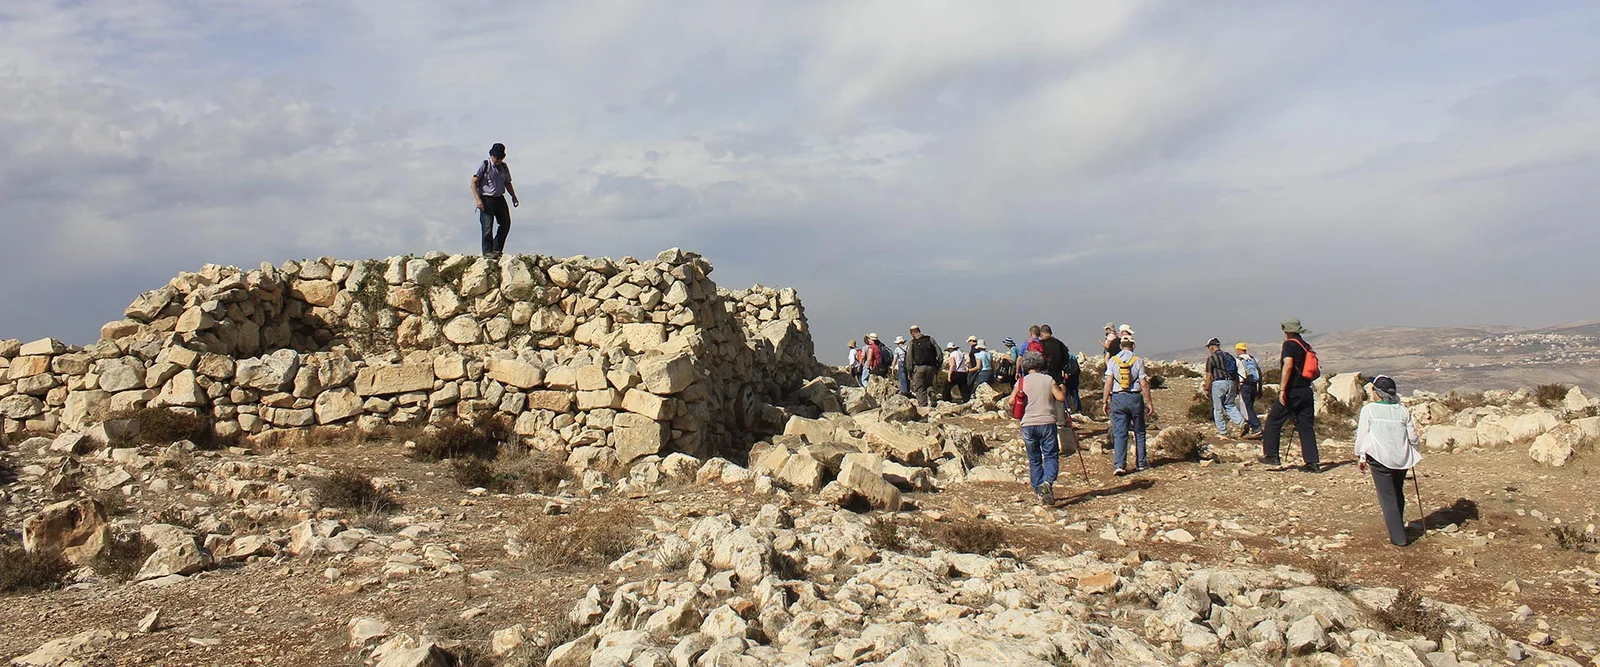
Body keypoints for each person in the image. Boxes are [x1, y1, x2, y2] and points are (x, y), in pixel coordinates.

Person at [1355, 375, 1422, 546]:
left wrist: (1360, 455)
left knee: (1387, 496)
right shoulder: (1402, 410)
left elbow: (1362, 435)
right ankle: (1398, 525)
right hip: (1401, 457)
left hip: (1379, 457)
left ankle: (1399, 537)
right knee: (1397, 491)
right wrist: (1414, 450)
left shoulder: (1369, 410)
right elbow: (1413, 437)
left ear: (1377, 392)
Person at [1261, 319, 1321, 472]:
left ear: (1287, 331)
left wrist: (1282, 389)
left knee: (1274, 421)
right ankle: (1313, 463)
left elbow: (1288, 365)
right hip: (1306, 390)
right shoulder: (1306, 345)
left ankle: (1271, 455)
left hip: (1292, 390)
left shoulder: (1289, 345)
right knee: (1306, 426)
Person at [1016, 351, 1067, 506]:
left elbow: (1012, 401)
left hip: (1027, 423)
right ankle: (1047, 482)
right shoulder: (1048, 379)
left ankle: (1039, 491)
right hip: (1047, 421)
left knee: (1034, 459)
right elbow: (1060, 398)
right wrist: (1063, 388)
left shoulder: (1022, 382)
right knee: (1051, 455)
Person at [1103, 336, 1154, 475]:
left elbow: (1108, 382)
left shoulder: (1113, 360)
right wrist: (1149, 402)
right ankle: (1141, 463)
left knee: (1120, 433)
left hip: (1118, 398)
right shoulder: (1138, 361)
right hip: (1135, 398)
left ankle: (1119, 464)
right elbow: (1143, 383)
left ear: (1120, 346)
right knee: (1140, 431)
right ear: (1133, 346)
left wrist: (1105, 400)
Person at [471, 143, 519, 258]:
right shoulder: (485, 165)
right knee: (487, 226)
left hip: (499, 198)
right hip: (486, 198)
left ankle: (497, 249)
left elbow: (507, 182)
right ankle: (487, 251)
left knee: (505, 223)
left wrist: (514, 196)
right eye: (496, 158)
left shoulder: (504, 167)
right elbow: (473, 182)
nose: (498, 160)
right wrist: (478, 200)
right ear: (492, 155)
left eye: (500, 158)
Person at [1203, 337, 1245, 437]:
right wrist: (1237, 386)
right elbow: (1235, 372)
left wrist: (1206, 388)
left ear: (1212, 347)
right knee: (1230, 405)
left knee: (1218, 409)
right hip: (1231, 383)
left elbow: (1209, 375)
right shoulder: (1229, 356)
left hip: (1218, 383)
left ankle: (1222, 431)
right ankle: (1242, 422)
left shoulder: (1211, 358)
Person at [1038, 325, 1072, 427]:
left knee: (1044, 398)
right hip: (1057, 375)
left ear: (1042, 333)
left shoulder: (1040, 344)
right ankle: (1061, 421)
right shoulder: (1060, 344)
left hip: (1044, 375)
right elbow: (1066, 358)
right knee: (1059, 398)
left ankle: (1047, 421)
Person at [1235, 343, 1263, 438]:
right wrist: (1260, 389)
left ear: (1238, 350)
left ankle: (1256, 428)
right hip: (1254, 385)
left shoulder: (1238, 360)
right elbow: (1259, 373)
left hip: (1245, 385)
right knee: (1250, 406)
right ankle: (1252, 427)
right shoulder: (1253, 359)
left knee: (1247, 408)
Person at [908, 326, 940, 407]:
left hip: (918, 368)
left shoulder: (912, 343)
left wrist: (909, 371)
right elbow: (939, 353)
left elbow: (909, 358)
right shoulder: (930, 339)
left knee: (920, 388)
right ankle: (931, 392)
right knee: (929, 384)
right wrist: (937, 366)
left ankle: (923, 406)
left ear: (912, 333)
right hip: (931, 367)